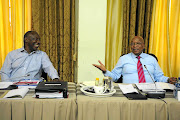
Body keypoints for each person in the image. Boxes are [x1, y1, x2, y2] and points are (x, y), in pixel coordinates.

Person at [93, 36, 177, 84]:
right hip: (129, 90)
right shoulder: (124, 59)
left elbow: (159, 77)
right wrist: (105, 71)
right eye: (132, 44)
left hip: (149, 90)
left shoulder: (151, 59)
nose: (134, 46)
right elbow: (115, 77)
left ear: (143, 46)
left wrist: (168, 79)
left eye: (138, 43)